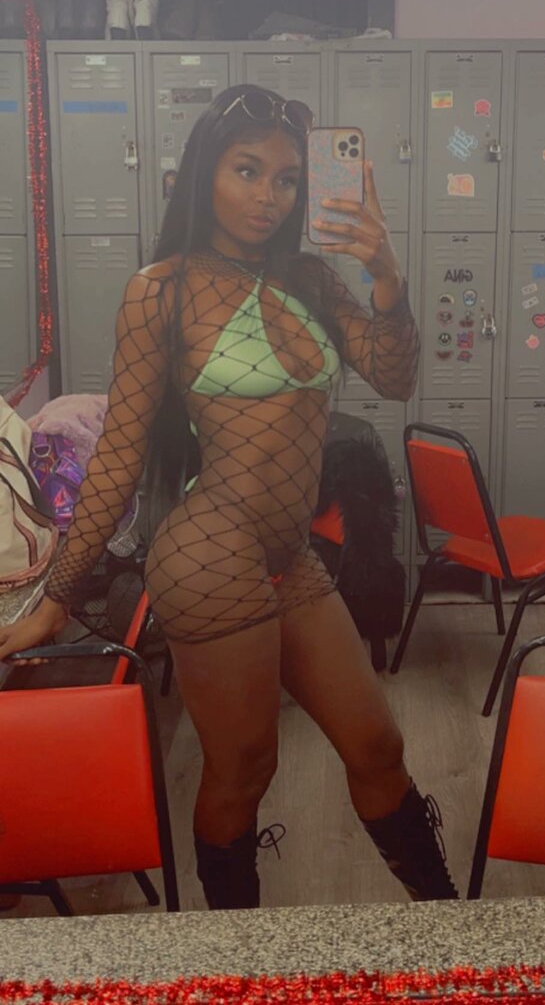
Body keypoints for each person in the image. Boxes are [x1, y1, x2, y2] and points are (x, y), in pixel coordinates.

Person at [0, 85, 458, 909]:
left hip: (289, 555)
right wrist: (56, 598)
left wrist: (386, 272)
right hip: (208, 558)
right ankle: (234, 957)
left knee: (377, 745)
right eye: (247, 170)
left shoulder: (311, 279)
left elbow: (395, 376)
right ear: (204, 172)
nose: (267, 196)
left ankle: (449, 925)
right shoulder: (161, 291)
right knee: (244, 769)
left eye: (286, 179)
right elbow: (121, 453)